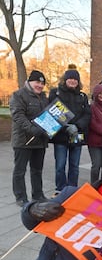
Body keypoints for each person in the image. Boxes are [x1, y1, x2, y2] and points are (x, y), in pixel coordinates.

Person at [49, 67, 91, 196]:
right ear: (65, 80)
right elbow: (51, 112)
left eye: (75, 79)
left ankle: (72, 189)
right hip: (61, 136)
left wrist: (77, 126)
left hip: (76, 135)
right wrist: (66, 127)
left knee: (74, 165)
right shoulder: (55, 93)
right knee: (60, 165)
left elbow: (87, 114)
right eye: (70, 78)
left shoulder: (82, 96)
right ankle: (60, 189)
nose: (73, 81)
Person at [9, 70, 49, 207]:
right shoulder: (18, 95)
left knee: (37, 170)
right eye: (37, 82)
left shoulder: (44, 97)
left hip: (40, 141)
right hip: (23, 140)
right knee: (20, 170)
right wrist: (32, 129)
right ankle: (20, 197)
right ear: (30, 82)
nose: (40, 85)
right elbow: (18, 115)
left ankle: (38, 195)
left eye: (42, 83)